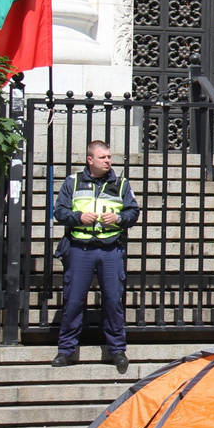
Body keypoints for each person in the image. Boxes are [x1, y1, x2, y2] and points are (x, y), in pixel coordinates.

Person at [51, 141, 140, 373]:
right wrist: (78, 217)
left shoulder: (121, 183)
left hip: (110, 249)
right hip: (80, 248)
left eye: (109, 157)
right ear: (90, 160)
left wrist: (118, 219)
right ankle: (66, 350)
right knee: (73, 300)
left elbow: (133, 212)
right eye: (103, 157)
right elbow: (59, 211)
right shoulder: (73, 182)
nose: (108, 161)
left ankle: (117, 350)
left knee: (113, 301)